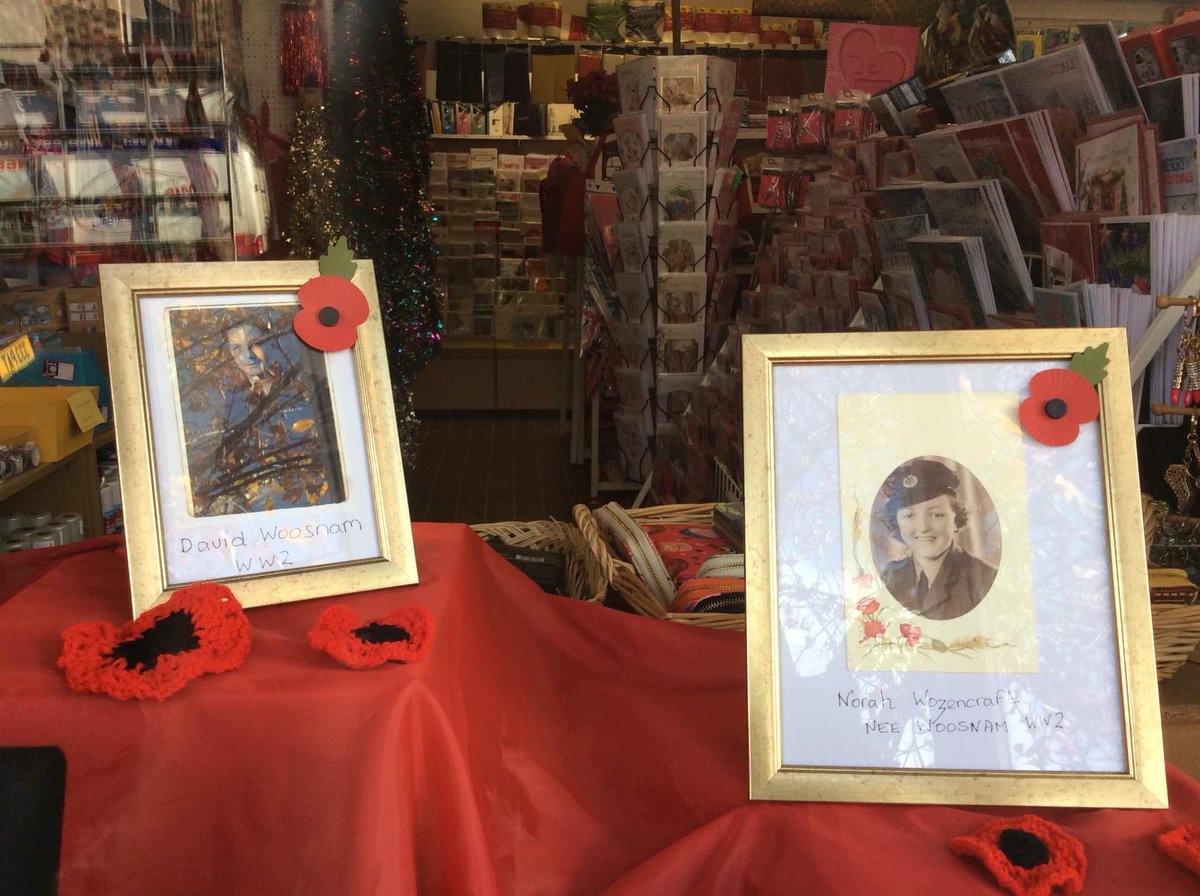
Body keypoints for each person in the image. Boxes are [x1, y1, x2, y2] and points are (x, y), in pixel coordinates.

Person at [187, 315, 344, 516]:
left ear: (272, 341)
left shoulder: (304, 388)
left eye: (255, 344)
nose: (247, 356)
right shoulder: (234, 402)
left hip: (312, 502)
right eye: (237, 348)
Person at [878, 458, 998, 620]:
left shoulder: (984, 579)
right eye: (909, 515)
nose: (922, 527)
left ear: (956, 520)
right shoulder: (890, 577)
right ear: (897, 522)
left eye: (936, 514)